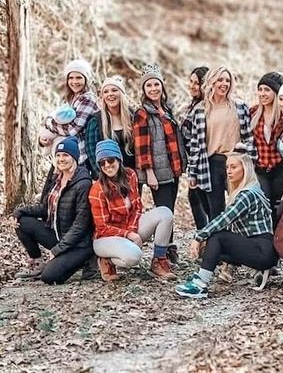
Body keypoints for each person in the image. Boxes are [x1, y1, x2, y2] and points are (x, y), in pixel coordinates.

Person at [175, 147, 277, 299]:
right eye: (227, 167)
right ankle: (202, 276)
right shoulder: (246, 190)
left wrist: (199, 236)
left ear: (245, 169)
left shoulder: (248, 194)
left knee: (218, 237)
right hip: (256, 247)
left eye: (234, 167)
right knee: (212, 243)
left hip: (263, 251)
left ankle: (200, 285)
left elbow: (225, 219)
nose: (229, 171)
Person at [88, 139, 176, 281]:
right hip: (106, 238)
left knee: (165, 213)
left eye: (110, 160)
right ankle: (106, 260)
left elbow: (137, 208)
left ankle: (159, 260)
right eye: (102, 163)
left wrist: (132, 230)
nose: (107, 165)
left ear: (118, 159)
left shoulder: (130, 175)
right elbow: (102, 227)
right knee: (133, 257)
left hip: (129, 227)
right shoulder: (97, 189)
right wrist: (129, 234)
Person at [13, 137, 94, 284]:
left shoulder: (83, 183)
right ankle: (37, 264)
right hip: (59, 236)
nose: (61, 159)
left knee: (49, 277)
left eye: (65, 155)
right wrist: (19, 212)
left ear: (74, 158)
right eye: (58, 155)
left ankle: (86, 261)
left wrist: (57, 250)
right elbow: (46, 208)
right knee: (22, 222)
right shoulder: (57, 179)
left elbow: (80, 225)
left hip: (79, 244)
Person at [187, 66, 256, 221]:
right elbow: (195, 145)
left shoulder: (239, 107)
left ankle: (239, 242)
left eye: (227, 80)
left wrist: (252, 163)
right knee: (215, 211)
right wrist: (192, 173)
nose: (224, 83)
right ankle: (216, 243)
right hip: (212, 164)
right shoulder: (200, 110)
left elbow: (248, 137)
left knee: (239, 207)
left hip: (236, 161)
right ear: (211, 82)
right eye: (220, 80)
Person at [133, 64, 186, 210]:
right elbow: (141, 147)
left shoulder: (168, 109)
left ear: (162, 85)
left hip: (173, 168)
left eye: (156, 84)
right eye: (148, 85)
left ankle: (168, 234)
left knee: (170, 211)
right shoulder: (142, 114)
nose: (153, 88)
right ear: (144, 89)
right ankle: (164, 234)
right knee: (165, 211)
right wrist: (149, 173)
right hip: (157, 172)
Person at [39, 59, 99, 166]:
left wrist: (48, 122)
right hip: (67, 154)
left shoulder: (87, 100)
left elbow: (72, 129)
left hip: (80, 156)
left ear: (86, 79)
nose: (74, 82)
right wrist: (44, 139)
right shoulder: (73, 98)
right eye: (71, 78)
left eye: (79, 77)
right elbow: (61, 122)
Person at [250, 71, 283, 225]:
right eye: (260, 89)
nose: (262, 94)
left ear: (276, 92)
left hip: (279, 169)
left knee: (280, 209)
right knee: (265, 206)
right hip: (260, 170)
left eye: (267, 90)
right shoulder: (252, 112)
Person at [85, 76, 135, 179]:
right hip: (106, 177)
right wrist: (104, 176)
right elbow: (91, 152)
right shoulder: (95, 121)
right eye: (106, 92)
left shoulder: (132, 116)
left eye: (114, 90)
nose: (110, 94)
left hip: (131, 176)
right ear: (102, 96)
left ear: (121, 93)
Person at [180, 66, 210, 230]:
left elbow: (199, 141)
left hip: (201, 162)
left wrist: (193, 170)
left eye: (197, 83)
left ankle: (208, 237)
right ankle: (205, 235)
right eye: (191, 81)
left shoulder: (204, 108)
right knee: (195, 197)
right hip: (192, 160)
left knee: (203, 200)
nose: (192, 86)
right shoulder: (192, 105)